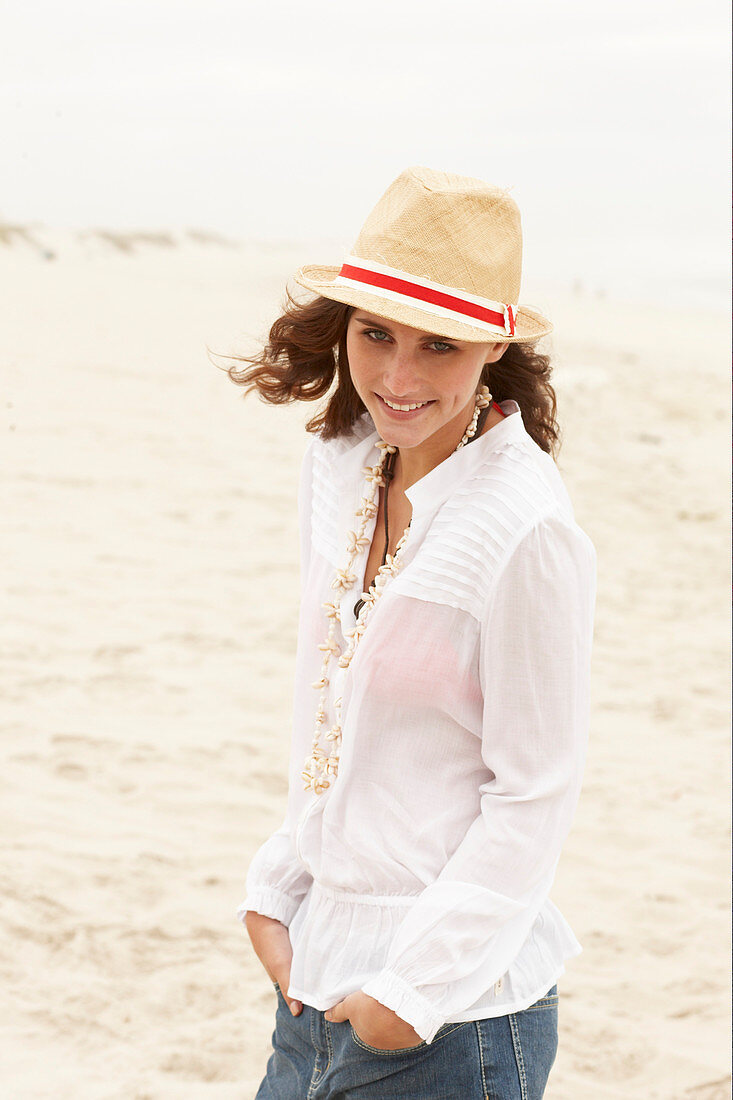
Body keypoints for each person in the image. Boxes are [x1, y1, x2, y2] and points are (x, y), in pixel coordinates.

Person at [232, 166, 597, 1099]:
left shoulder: (522, 526)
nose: (397, 377)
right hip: (312, 985)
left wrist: (409, 993)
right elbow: (335, 694)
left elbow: (535, 789)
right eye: (376, 333)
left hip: (449, 1019)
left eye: (440, 345)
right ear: (343, 325)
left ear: (491, 350)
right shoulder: (340, 461)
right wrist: (277, 884)